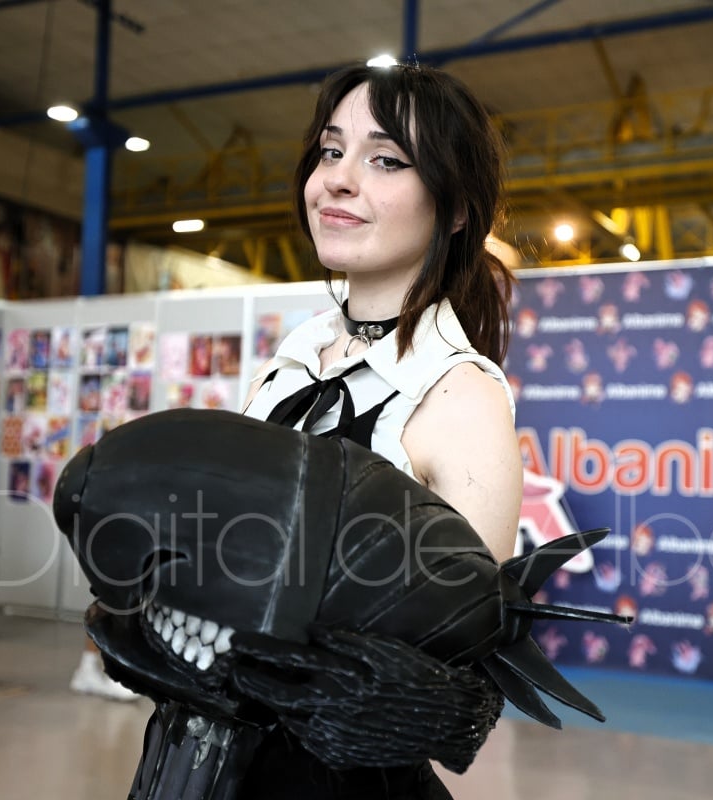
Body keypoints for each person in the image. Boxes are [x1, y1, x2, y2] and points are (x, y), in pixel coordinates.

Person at [236, 61, 524, 798]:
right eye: (331, 151)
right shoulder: (288, 366)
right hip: (205, 760)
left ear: (455, 210)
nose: (337, 179)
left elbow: (456, 657)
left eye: (386, 160)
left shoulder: (460, 395)